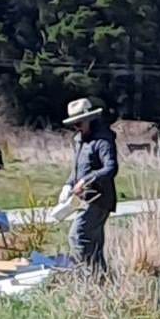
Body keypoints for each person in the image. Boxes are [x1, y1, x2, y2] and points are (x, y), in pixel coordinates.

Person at [62, 98, 118, 278]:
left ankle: (90, 277)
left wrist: (86, 180)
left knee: (77, 236)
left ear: (89, 119)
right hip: (84, 199)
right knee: (93, 242)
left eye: (79, 123)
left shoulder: (103, 140)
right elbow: (77, 169)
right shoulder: (79, 141)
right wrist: (68, 185)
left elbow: (111, 168)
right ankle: (102, 280)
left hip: (99, 198)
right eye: (73, 125)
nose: (76, 128)